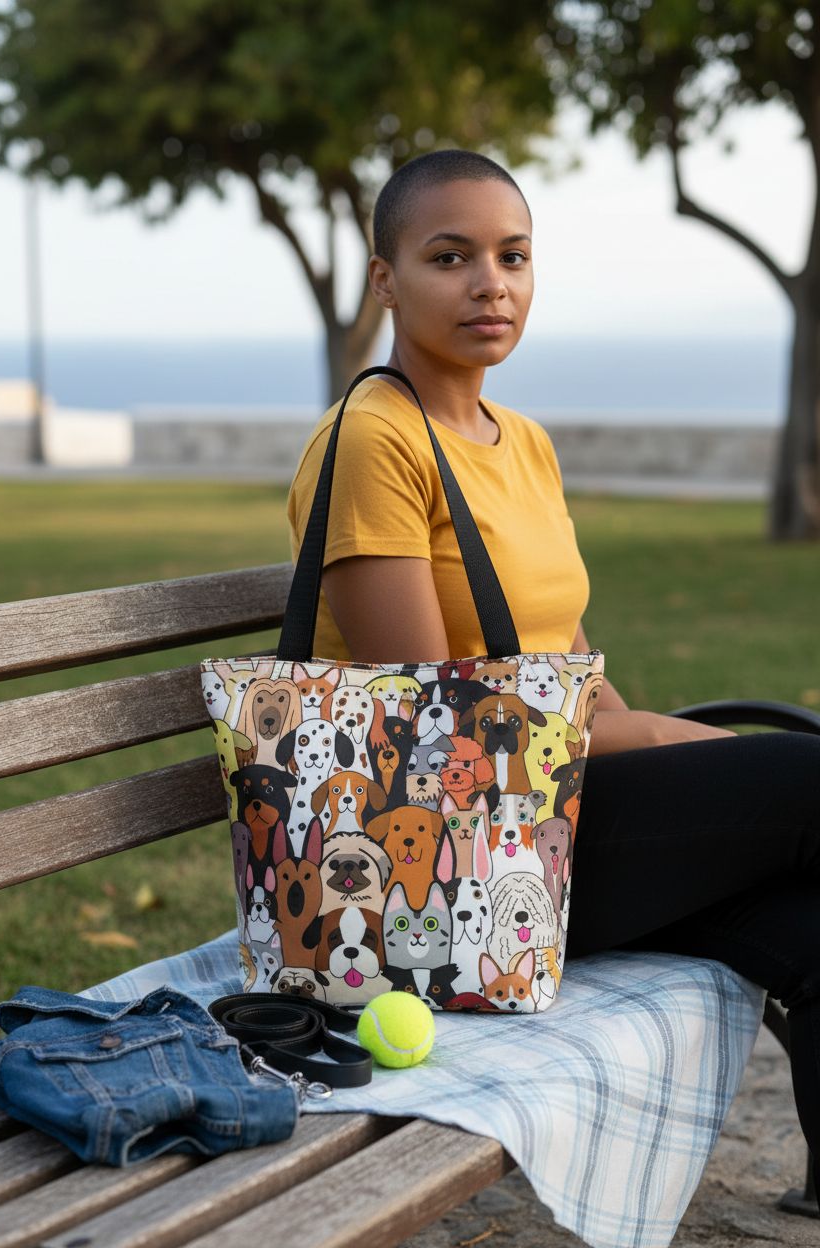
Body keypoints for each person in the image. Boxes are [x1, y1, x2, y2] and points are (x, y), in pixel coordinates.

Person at [286, 149, 820, 1195]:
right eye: (451, 257)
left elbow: (571, 666)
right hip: (451, 862)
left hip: (554, 827)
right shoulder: (372, 443)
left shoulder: (518, 442)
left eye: (512, 255)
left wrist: (665, 741)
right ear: (384, 279)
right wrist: (677, 741)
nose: (491, 282)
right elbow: (434, 726)